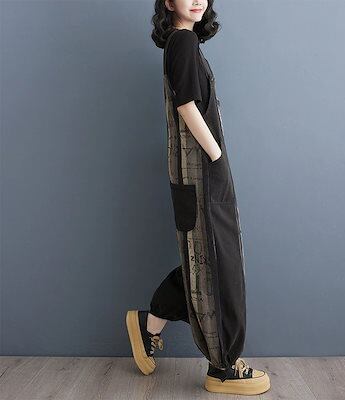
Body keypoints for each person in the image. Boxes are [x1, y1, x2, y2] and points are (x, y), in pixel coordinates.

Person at [126, 0, 271, 395]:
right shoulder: (183, 43)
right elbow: (186, 104)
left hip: (194, 177)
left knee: (202, 260)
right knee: (217, 266)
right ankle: (222, 368)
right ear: (167, 2)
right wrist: (217, 155)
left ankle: (148, 324)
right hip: (202, 174)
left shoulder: (182, 42)